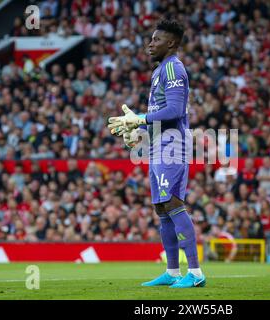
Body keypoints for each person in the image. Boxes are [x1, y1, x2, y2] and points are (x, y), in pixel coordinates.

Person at [107, 20, 206, 288]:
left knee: (173, 204)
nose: (150, 44)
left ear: (171, 43)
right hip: (158, 145)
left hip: (172, 146)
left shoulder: (173, 67)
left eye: (156, 40)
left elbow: (175, 110)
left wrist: (140, 119)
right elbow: (160, 117)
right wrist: (139, 136)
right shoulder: (160, 70)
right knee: (161, 208)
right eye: (151, 39)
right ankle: (173, 271)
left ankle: (195, 273)